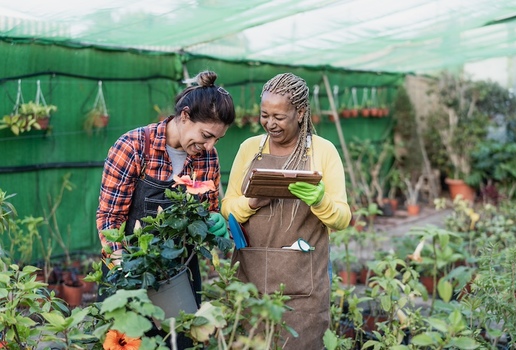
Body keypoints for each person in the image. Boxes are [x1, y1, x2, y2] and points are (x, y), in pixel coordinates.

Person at [96, 70, 235, 348]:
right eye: (206, 135)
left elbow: (207, 209)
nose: (209, 146)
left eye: (216, 140)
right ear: (184, 116)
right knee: (128, 340)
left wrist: (213, 219)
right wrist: (125, 270)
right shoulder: (134, 147)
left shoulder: (208, 157)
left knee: (182, 340)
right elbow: (110, 218)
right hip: (131, 263)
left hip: (180, 268)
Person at [221, 72, 351, 349]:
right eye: (264, 115)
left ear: (301, 112)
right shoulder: (249, 148)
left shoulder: (323, 151)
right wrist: (251, 203)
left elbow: (342, 218)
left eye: (279, 117)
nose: (270, 123)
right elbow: (227, 207)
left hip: (303, 279)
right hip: (250, 272)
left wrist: (319, 201)